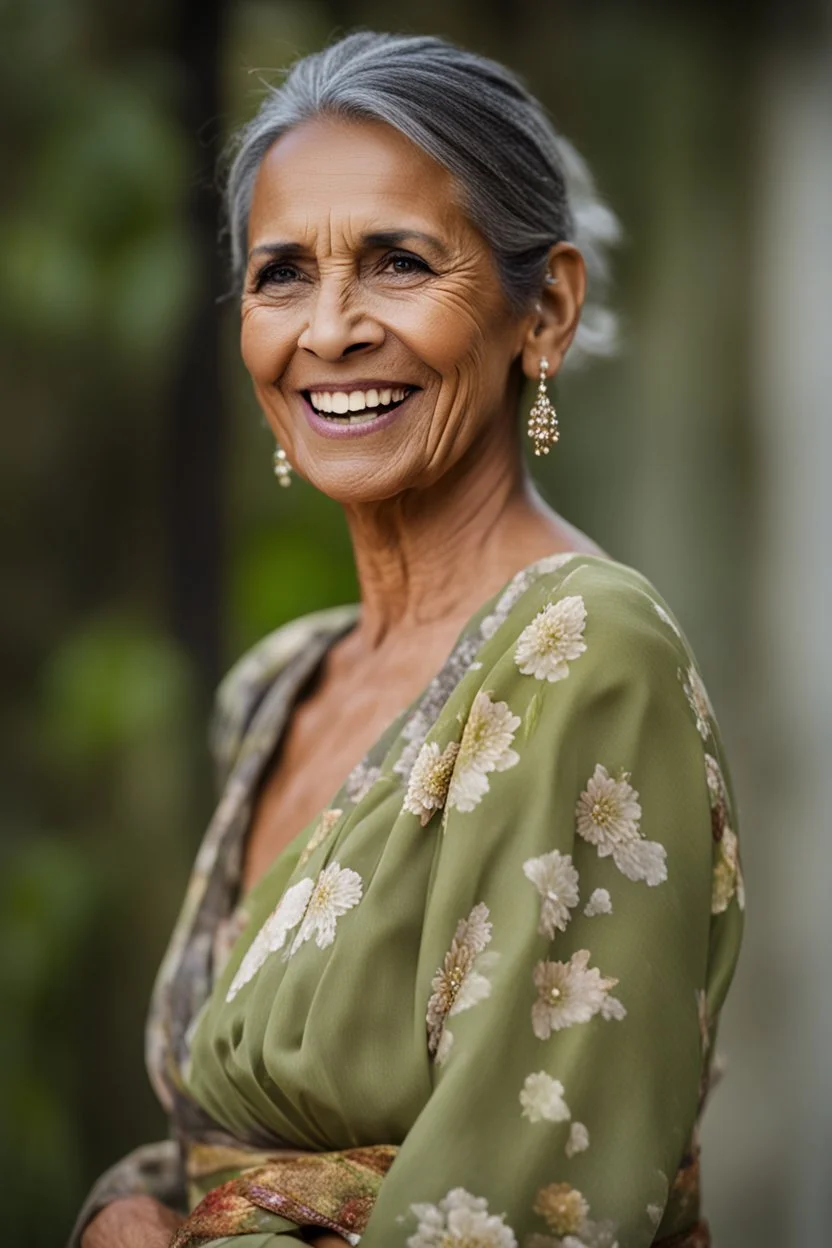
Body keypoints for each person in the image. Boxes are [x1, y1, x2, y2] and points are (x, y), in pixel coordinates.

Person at [73, 31, 744, 1248]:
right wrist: (130, 1206)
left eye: (396, 262)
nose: (329, 329)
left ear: (543, 308)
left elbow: (530, 1210)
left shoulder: (585, 652)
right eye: (282, 274)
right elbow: (231, 1135)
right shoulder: (278, 687)